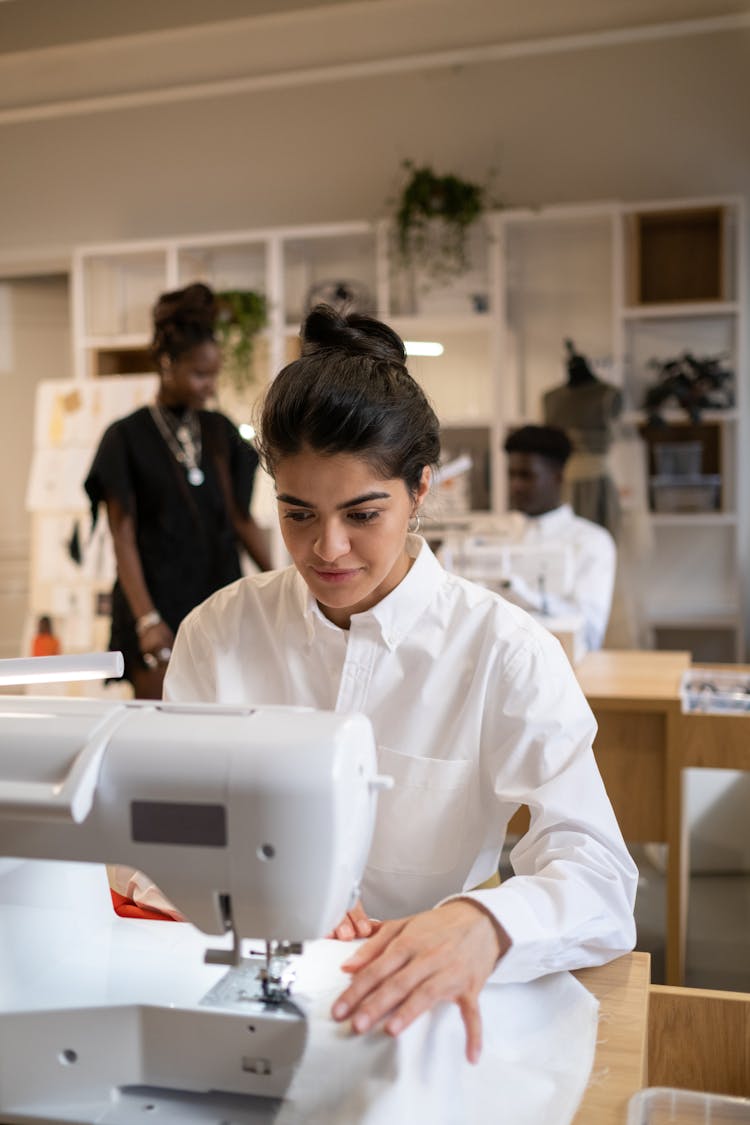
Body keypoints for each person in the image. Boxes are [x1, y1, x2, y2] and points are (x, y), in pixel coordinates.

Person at [151, 305, 637, 1064]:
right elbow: (160, 824)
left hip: (427, 1010)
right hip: (250, 994)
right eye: (297, 512)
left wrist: (486, 922)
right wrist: (253, 882)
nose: (327, 547)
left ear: (420, 489)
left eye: (362, 512)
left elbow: (600, 874)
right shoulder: (219, 632)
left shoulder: (504, 652)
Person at [84, 282, 271, 699]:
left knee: (225, 724)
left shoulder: (219, 431)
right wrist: (147, 619)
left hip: (220, 596)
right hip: (155, 603)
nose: (210, 385)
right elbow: (122, 533)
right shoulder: (125, 437)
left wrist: (289, 580)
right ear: (167, 363)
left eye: (214, 374)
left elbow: (241, 519)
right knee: (162, 732)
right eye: (200, 373)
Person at [501, 424, 617, 653]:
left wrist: (523, 594)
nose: (515, 486)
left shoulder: (591, 542)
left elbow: (590, 633)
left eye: (526, 476)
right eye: (511, 475)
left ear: (557, 477)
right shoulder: (491, 536)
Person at [542, 339, 623, 538]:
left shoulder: (608, 395)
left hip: (596, 488)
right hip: (559, 487)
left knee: (597, 542)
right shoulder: (550, 399)